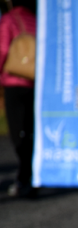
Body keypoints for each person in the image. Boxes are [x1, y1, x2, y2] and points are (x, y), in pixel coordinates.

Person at [0, 0, 36, 197]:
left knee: (17, 133)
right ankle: (27, 175)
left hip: (14, 80)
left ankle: (24, 174)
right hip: (32, 81)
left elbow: (3, 49)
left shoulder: (9, 20)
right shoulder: (35, 21)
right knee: (29, 131)